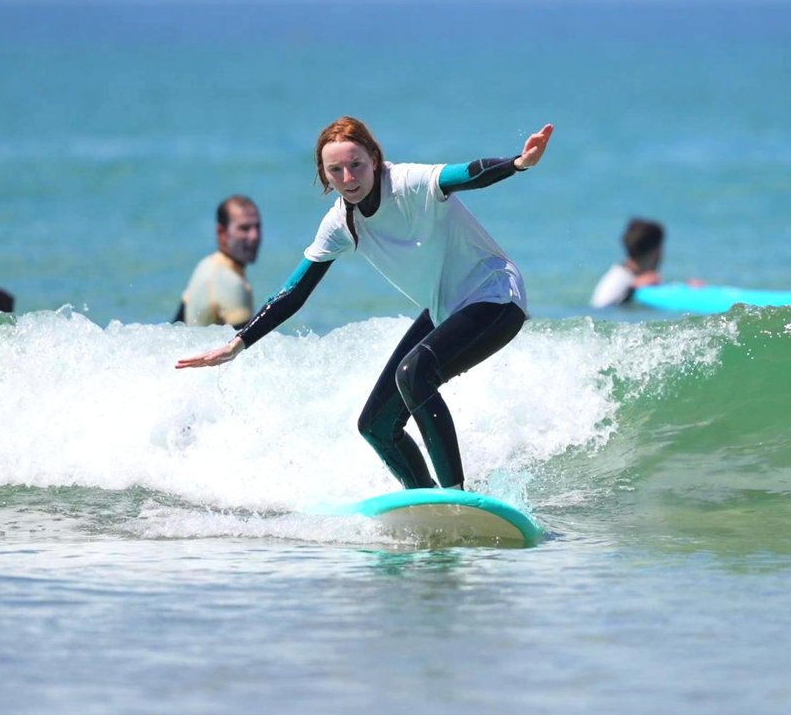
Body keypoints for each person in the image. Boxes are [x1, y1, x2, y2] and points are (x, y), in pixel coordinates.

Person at [176, 116, 553, 492]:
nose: (348, 178)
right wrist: (237, 343)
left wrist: (517, 164)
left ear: (374, 158)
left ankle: (457, 496)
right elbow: (295, 291)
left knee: (414, 373)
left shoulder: (409, 183)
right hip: (446, 306)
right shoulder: (340, 222)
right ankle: (426, 501)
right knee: (376, 425)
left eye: (356, 165)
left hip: (496, 295)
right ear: (324, 177)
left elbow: (468, 173)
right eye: (335, 170)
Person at [172, 195, 262, 327]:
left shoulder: (206, 265)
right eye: (244, 228)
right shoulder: (230, 282)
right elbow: (245, 345)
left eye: (257, 227)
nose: (255, 236)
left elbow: (175, 326)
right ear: (222, 232)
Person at [589, 218, 664, 308]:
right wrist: (633, 290)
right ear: (656, 252)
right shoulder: (618, 279)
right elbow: (602, 309)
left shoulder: (629, 275)